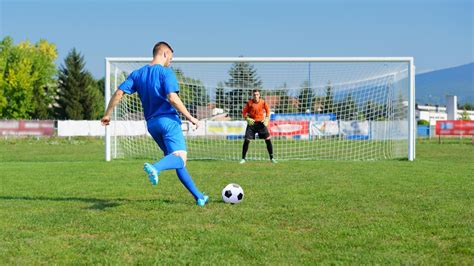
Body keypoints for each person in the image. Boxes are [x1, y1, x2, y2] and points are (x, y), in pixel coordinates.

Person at [101, 41, 209, 207]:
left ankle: (199, 196)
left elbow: (119, 92)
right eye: (170, 58)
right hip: (168, 122)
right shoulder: (166, 72)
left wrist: (107, 114)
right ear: (164, 54)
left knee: (176, 160)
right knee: (180, 159)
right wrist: (191, 117)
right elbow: (172, 98)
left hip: (152, 125)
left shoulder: (138, 74)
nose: (170, 61)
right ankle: (155, 168)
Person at [240, 89, 277, 164]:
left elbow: (268, 111)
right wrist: (247, 118)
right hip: (252, 123)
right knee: (247, 140)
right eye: (254, 95)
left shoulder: (263, 102)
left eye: (257, 94)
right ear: (252, 95)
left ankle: (272, 158)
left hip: (261, 123)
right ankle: (243, 159)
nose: (256, 96)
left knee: (268, 139)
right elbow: (244, 112)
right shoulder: (249, 103)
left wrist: (267, 118)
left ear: (259, 95)